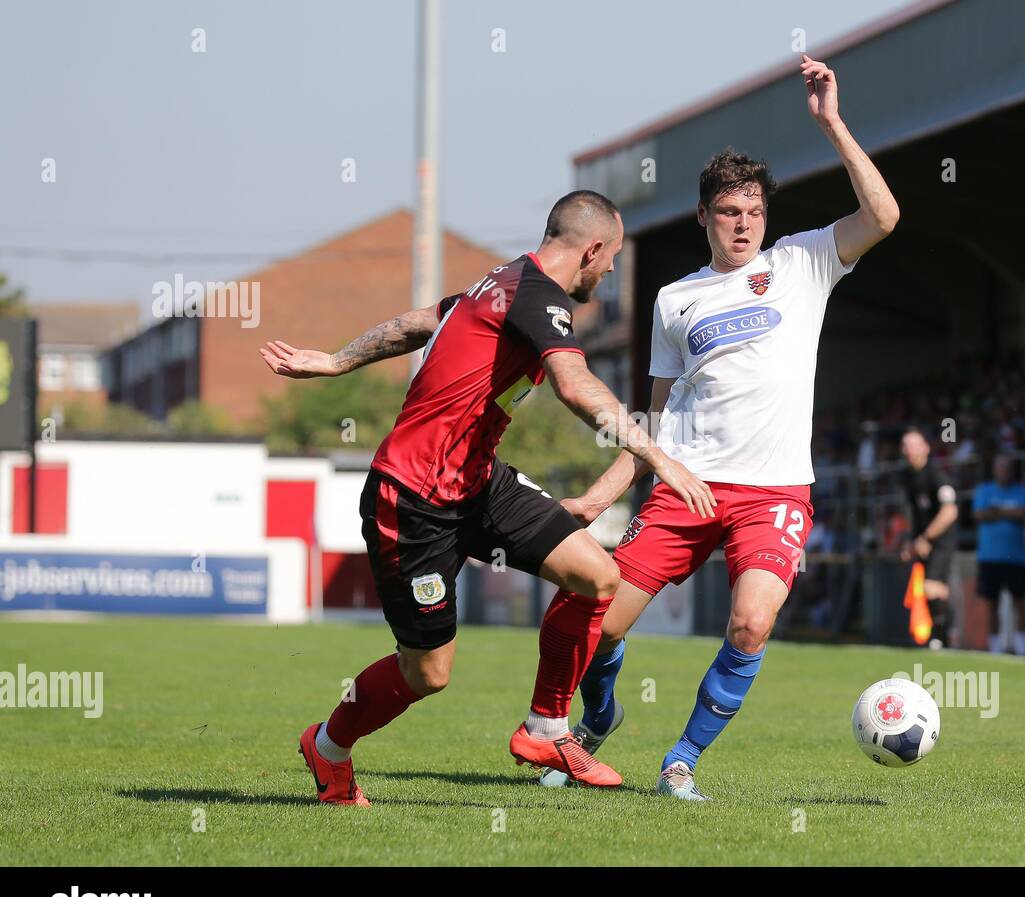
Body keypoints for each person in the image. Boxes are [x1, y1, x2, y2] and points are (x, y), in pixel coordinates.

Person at [259, 190, 714, 803]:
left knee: (596, 575)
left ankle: (544, 728)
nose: (609, 274)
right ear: (594, 248)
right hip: (412, 499)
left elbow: (418, 322)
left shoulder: (501, 281)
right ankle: (329, 746)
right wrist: (658, 458)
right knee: (428, 673)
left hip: (478, 482)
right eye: (611, 261)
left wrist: (341, 360)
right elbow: (576, 386)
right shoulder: (539, 297)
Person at [547, 54, 900, 799]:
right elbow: (654, 414)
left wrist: (832, 122)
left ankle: (681, 760)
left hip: (774, 491)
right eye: (730, 212)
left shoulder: (804, 261)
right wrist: (605, 496)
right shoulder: (676, 300)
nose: (744, 225)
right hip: (687, 484)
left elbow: (884, 217)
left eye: (755, 212)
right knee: (602, 628)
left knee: (749, 625)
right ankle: (597, 723)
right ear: (704, 216)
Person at [898, 426, 959, 643]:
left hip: (940, 541)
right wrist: (910, 541)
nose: (909, 450)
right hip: (921, 540)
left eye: (913, 445)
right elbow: (911, 515)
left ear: (925, 448)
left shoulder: (936, 475)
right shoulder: (907, 477)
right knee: (927, 588)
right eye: (905, 446)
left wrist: (926, 538)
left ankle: (943, 637)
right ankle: (939, 636)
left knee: (933, 587)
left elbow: (950, 511)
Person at [972, 454, 1025, 654]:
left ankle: (1022, 645)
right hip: (990, 557)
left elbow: (1024, 513)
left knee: (1020, 601)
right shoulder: (984, 490)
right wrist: (1009, 512)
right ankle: (995, 646)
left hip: (1016, 558)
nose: (1004, 472)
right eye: (1001, 467)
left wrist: (997, 511)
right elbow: (980, 514)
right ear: (994, 470)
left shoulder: (1022, 491)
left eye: (1008, 468)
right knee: (992, 603)